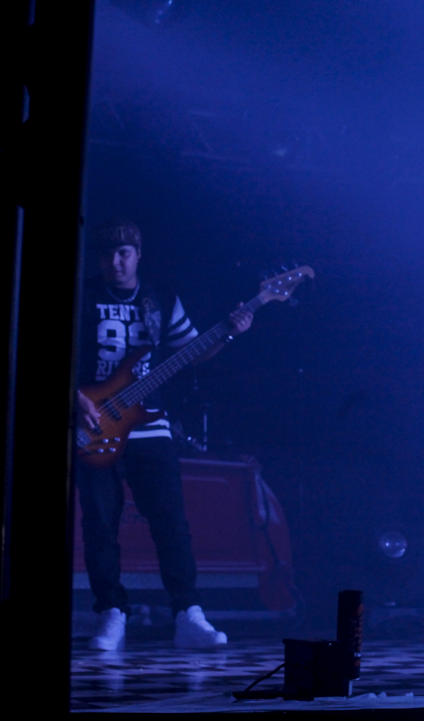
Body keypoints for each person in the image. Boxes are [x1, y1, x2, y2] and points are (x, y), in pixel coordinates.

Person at [76, 218, 252, 650]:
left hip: (150, 426)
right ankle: (111, 613)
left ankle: (188, 614)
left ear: (138, 255)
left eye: (124, 253)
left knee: (171, 522)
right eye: (107, 254)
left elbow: (192, 351)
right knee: (100, 523)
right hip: (91, 424)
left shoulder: (159, 300)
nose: (115, 262)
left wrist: (230, 330)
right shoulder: (81, 297)